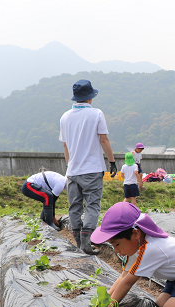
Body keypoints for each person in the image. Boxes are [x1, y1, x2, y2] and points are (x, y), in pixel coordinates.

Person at [60, 79, 117, 254]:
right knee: (92, 206)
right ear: (90, 97)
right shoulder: (96, 114)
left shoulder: (65, 117)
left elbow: (65, 146)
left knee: (75, 207)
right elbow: (104, 139)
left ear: (75, 98)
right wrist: (112, 161)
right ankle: (86, 242)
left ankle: (78, 242)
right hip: (92, 170)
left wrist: (71, 165)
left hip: (73, 171)